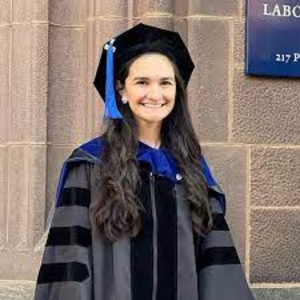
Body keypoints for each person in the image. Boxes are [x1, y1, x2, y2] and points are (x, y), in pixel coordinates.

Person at [33, 23, 255, 300]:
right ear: (121, 90)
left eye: (165, 82)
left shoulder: (192, 168)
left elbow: (217, 268)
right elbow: (69, 263)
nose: (155, 94)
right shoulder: (90, 165)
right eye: (142, 82)